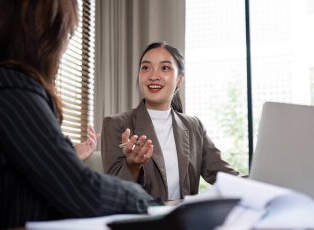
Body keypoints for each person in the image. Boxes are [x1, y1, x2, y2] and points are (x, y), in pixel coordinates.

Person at [0, 0, 158, 230]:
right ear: (42, 34)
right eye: (67, 35)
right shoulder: (10, 90)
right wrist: (150, 202)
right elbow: (79, 190)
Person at [101, 42, 239, 202]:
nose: (153, 75)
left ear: (180, 80)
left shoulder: (194, 126)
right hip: (141, 221)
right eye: (146, 68)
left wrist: (266, 184)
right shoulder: (116, 124)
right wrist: (132, 166)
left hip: (184, 221)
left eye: (165, 68)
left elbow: (224, 175)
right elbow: (113, 194)